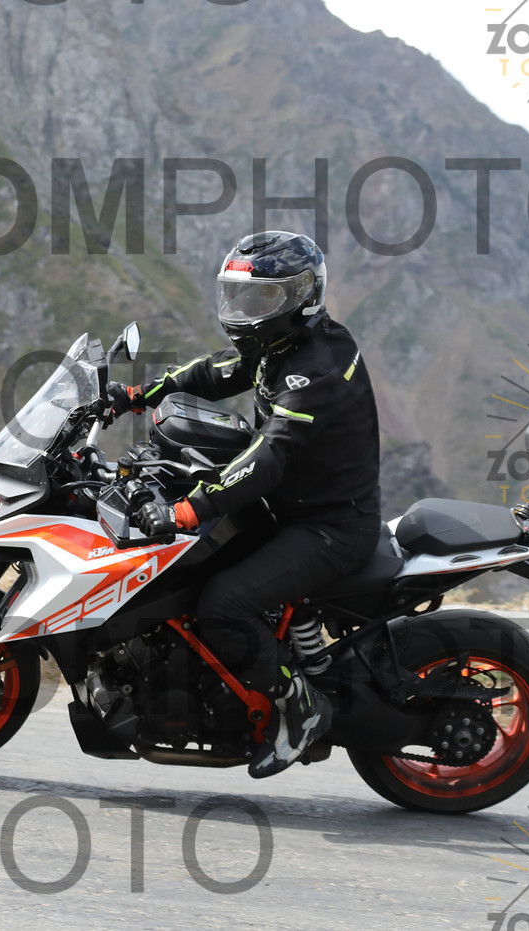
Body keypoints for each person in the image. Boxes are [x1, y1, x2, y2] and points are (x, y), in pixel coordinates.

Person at [105, 230, 382, 778]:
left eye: (260, 298)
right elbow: (218, 372)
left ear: (301, 296)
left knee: (223, 605)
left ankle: (301, 707)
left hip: (331, 527)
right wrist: (138, 396)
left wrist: (188, 510)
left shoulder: (315, 368)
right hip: (288, 509)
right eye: (237, 295)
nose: (243, 310)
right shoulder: (281, 347)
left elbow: (270, 457)